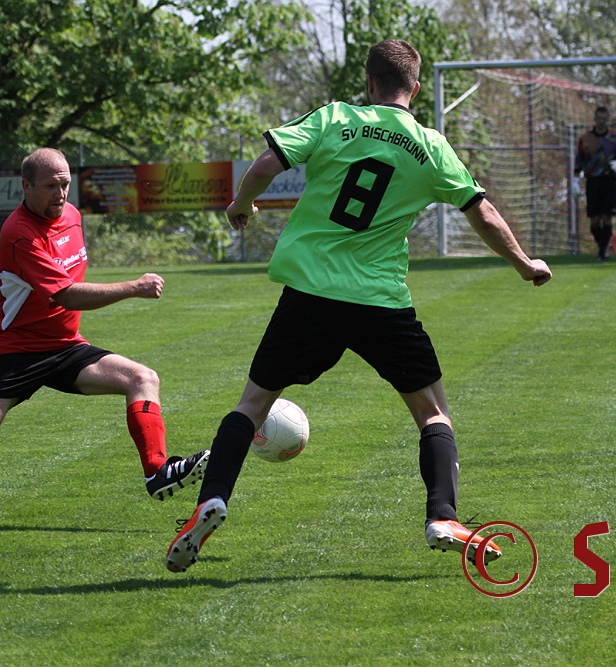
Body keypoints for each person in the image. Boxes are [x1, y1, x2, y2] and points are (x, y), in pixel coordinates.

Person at [165, 39, 553, 573]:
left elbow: (265, 165)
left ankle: (211, 498)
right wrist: (524, 263)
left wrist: (241, 204)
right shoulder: (430, 145)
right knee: (432, 412)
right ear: (415, 89)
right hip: (379, 300)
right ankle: (442, 516)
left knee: (252, 404)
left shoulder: (335, 118)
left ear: (369, 82)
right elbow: (482, 213)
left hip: (310, 293)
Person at [0, 147, 209, 532]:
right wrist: (134, 287)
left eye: (65, 184)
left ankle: (157, 471)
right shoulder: (18, 233)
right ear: (26, 186)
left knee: (143, 378)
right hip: (15, 351)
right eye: (51, 186)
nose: (60, 193)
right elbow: (66, 294)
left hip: (66, 347)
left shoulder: (72, 216)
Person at [575, 106, 616, 261]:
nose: (601, 121)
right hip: (592, 181)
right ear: (595, 119)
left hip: (609, 181)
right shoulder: (586, 139)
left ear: (607, 119)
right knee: (595, 220)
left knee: (607, 217)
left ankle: (603, 251)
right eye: (599, 118)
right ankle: (602, 247)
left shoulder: (615, 139)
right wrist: (575, 178)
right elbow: (580, 158)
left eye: (604, 118)